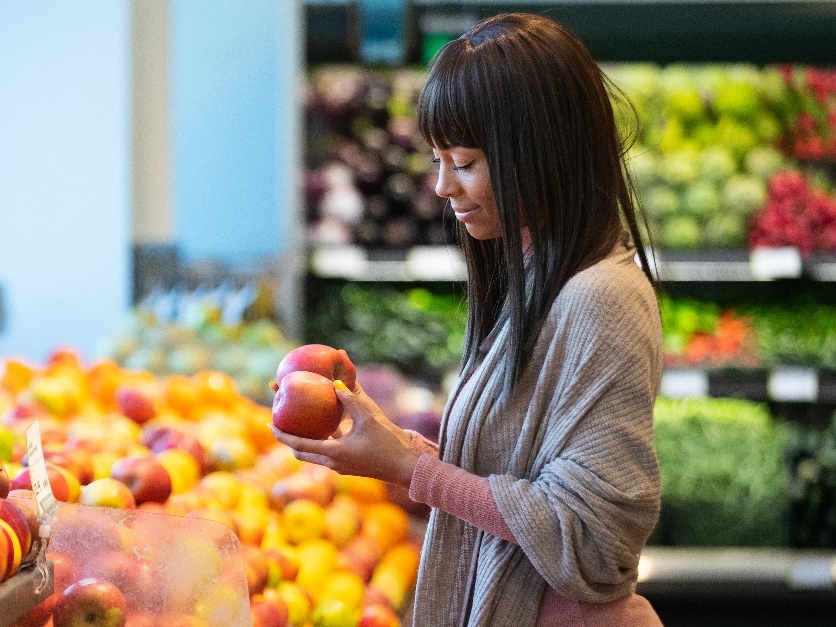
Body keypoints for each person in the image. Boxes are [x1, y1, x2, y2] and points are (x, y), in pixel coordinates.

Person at [271, 12, 664, 627]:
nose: (440, 187)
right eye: (437, 159)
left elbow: (592, 540)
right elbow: (521, 481)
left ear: (540, 152)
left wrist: (413, 471)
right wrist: (402, 450)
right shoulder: (539, 274)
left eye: (464, 161)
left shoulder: (599, 297)